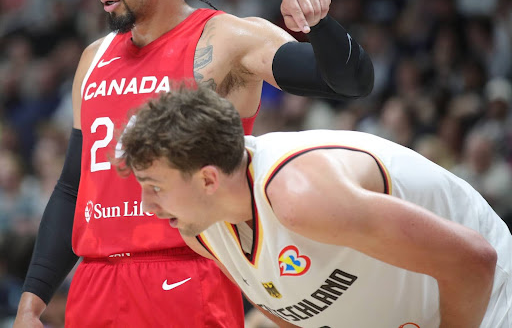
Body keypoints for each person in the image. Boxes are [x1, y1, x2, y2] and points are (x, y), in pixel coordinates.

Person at [14, 0, 374, 328]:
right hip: (94, 282)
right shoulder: (93, 59)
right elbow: (74, 187)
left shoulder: (227, 39)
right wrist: (32, 300)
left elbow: (350, 84)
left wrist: (322, 27)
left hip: (188, 271)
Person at [118, 85, 511, 328]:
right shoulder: (199, 230)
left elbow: (473, 261)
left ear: (207, 179)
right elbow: (289, 313)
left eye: (155, 187)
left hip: (488, 305)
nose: (146, 204)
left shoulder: (298, 194)